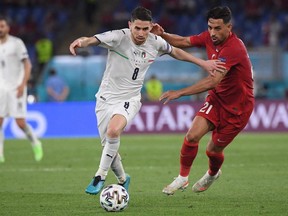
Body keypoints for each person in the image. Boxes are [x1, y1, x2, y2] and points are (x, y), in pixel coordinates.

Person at [69, 6, 225, 195]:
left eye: (146, 29)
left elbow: (176, 51)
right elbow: (93, 39)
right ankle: (123, 179)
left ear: (151, 27)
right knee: (109, 146)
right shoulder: (118, 37)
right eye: (137, 28)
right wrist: (82, 41)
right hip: (105, 99)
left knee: (113, 131)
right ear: (130, 25)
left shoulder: (155, 42)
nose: (142, 33)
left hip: (130, 98)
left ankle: (99, 176)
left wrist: (202, 63)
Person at [151, 6, 254, 195]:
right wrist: (163, 34)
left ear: (229, 27)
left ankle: (212, 174)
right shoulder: (209, 38)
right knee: (191, 136)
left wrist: (180, 92)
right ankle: (182, 178)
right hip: (217, 99)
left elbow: (213, 80)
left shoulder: (234, 48)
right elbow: (182, 41)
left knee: (212, 151)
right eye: (210, 27)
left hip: (238, 108)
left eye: (217, 28)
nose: (212, 33)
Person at [0, 16, 43, 163]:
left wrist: (22, 84)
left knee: (20, 123)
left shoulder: (16, 43)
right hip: (1, 88)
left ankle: (36, 143)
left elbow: (27, 65)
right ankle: (0, 154)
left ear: (8, 28)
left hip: (16, 87)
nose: (0, 29)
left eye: (2, 26)